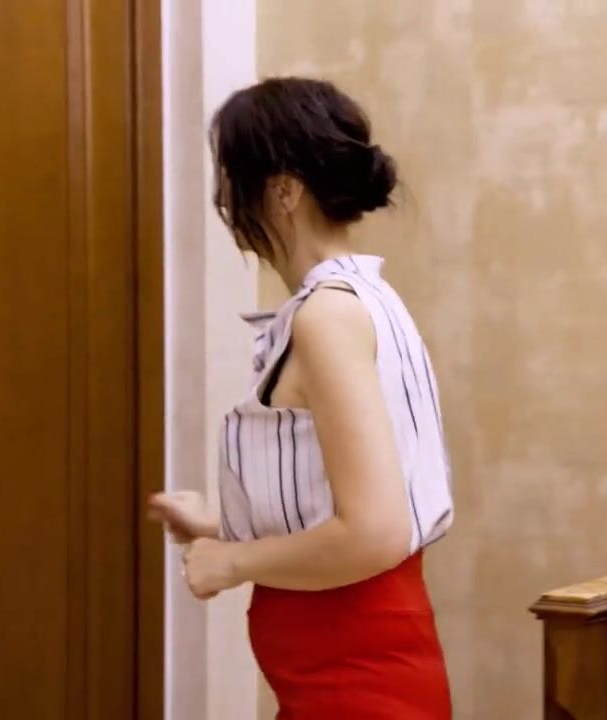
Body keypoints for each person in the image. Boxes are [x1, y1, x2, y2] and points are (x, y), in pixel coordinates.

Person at [148, 77, 452, 718]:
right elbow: (345, 501)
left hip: (357, 681)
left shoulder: (327, 317)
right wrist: (218, 523)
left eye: (231, 177)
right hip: (345, 672)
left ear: (284, 190)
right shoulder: (362, 299)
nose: (224, 199)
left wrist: (231, 562)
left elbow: (374, 531)